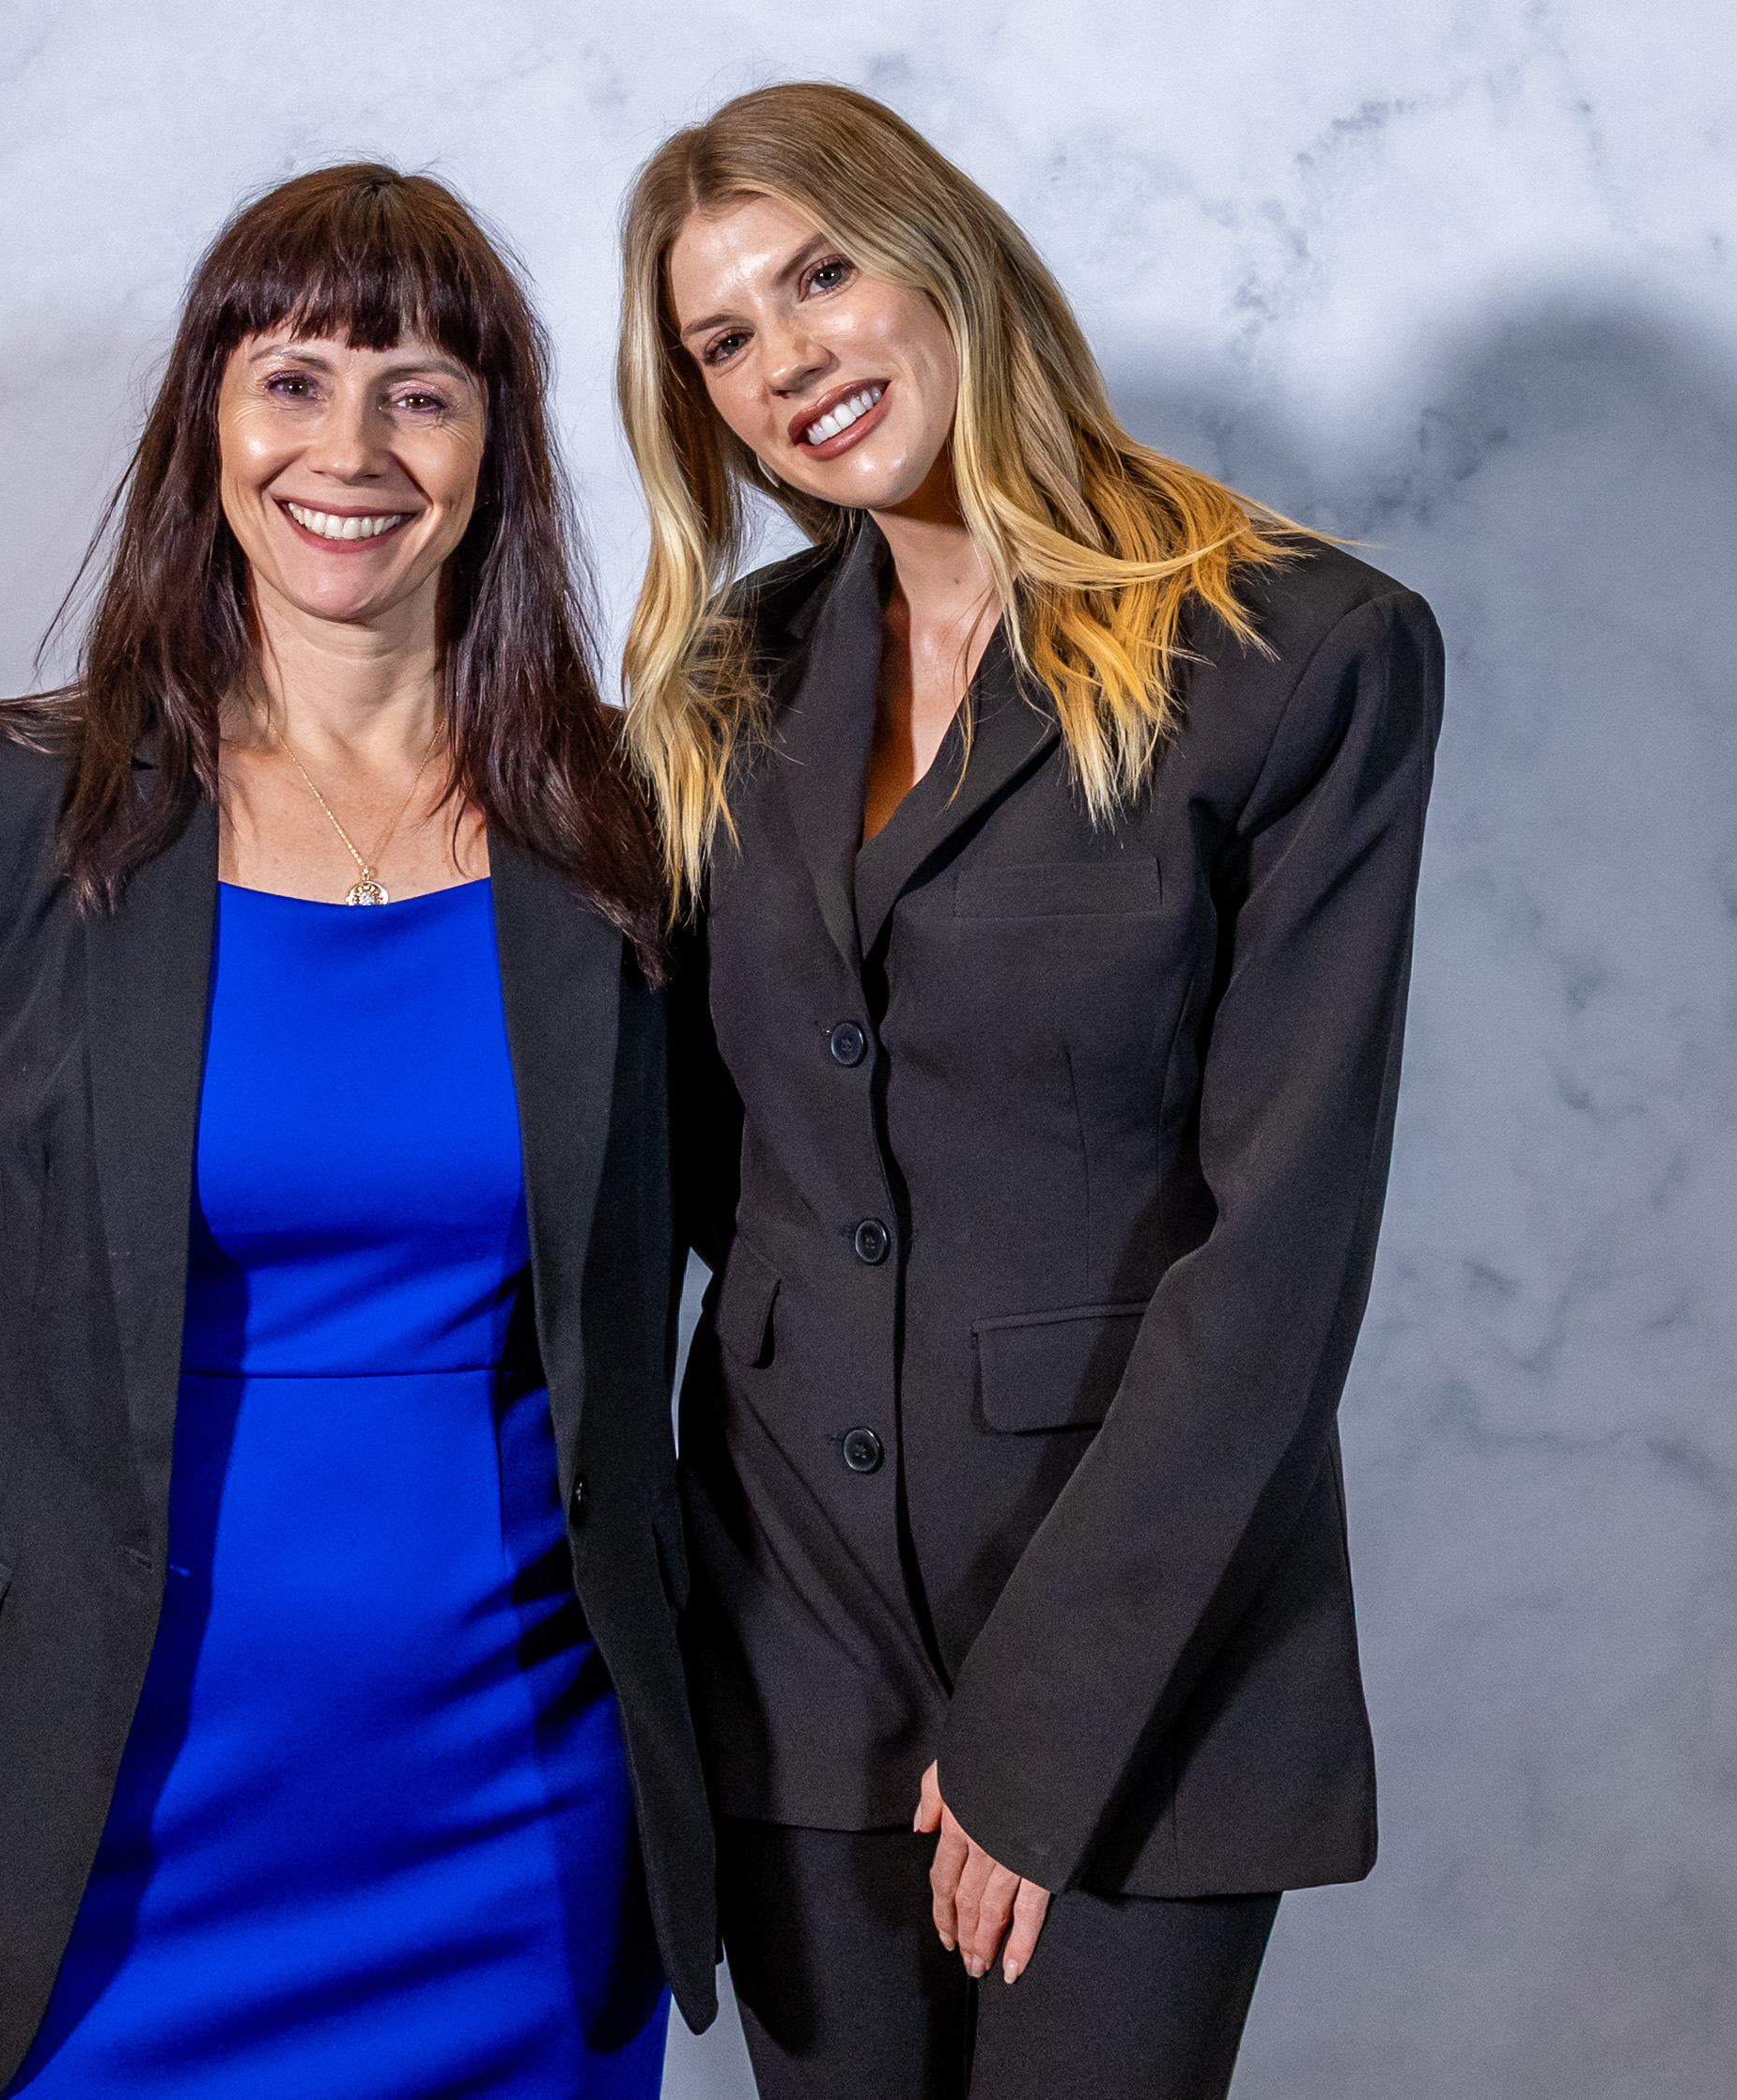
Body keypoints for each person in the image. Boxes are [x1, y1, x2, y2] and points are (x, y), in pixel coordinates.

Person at [0, 163, 717, 2100]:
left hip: (517, 1819)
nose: (351, 449)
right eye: (292, 379)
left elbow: (777, 1236)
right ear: (206, 423)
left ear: (493, 446)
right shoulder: (11, 809)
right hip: (105, 1823)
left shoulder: (617, 828)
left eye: (419, 392)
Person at [614, 84, 1443, 2100]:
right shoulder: (729, 679)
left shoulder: (1298, 649)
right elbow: (713, 1167)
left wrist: (1042, 1727)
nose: (786, 357)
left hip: (1137, 1639)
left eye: (819, 273)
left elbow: (1282, 1244)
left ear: (942, 254)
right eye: (722, 338)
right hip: (789, 1628)